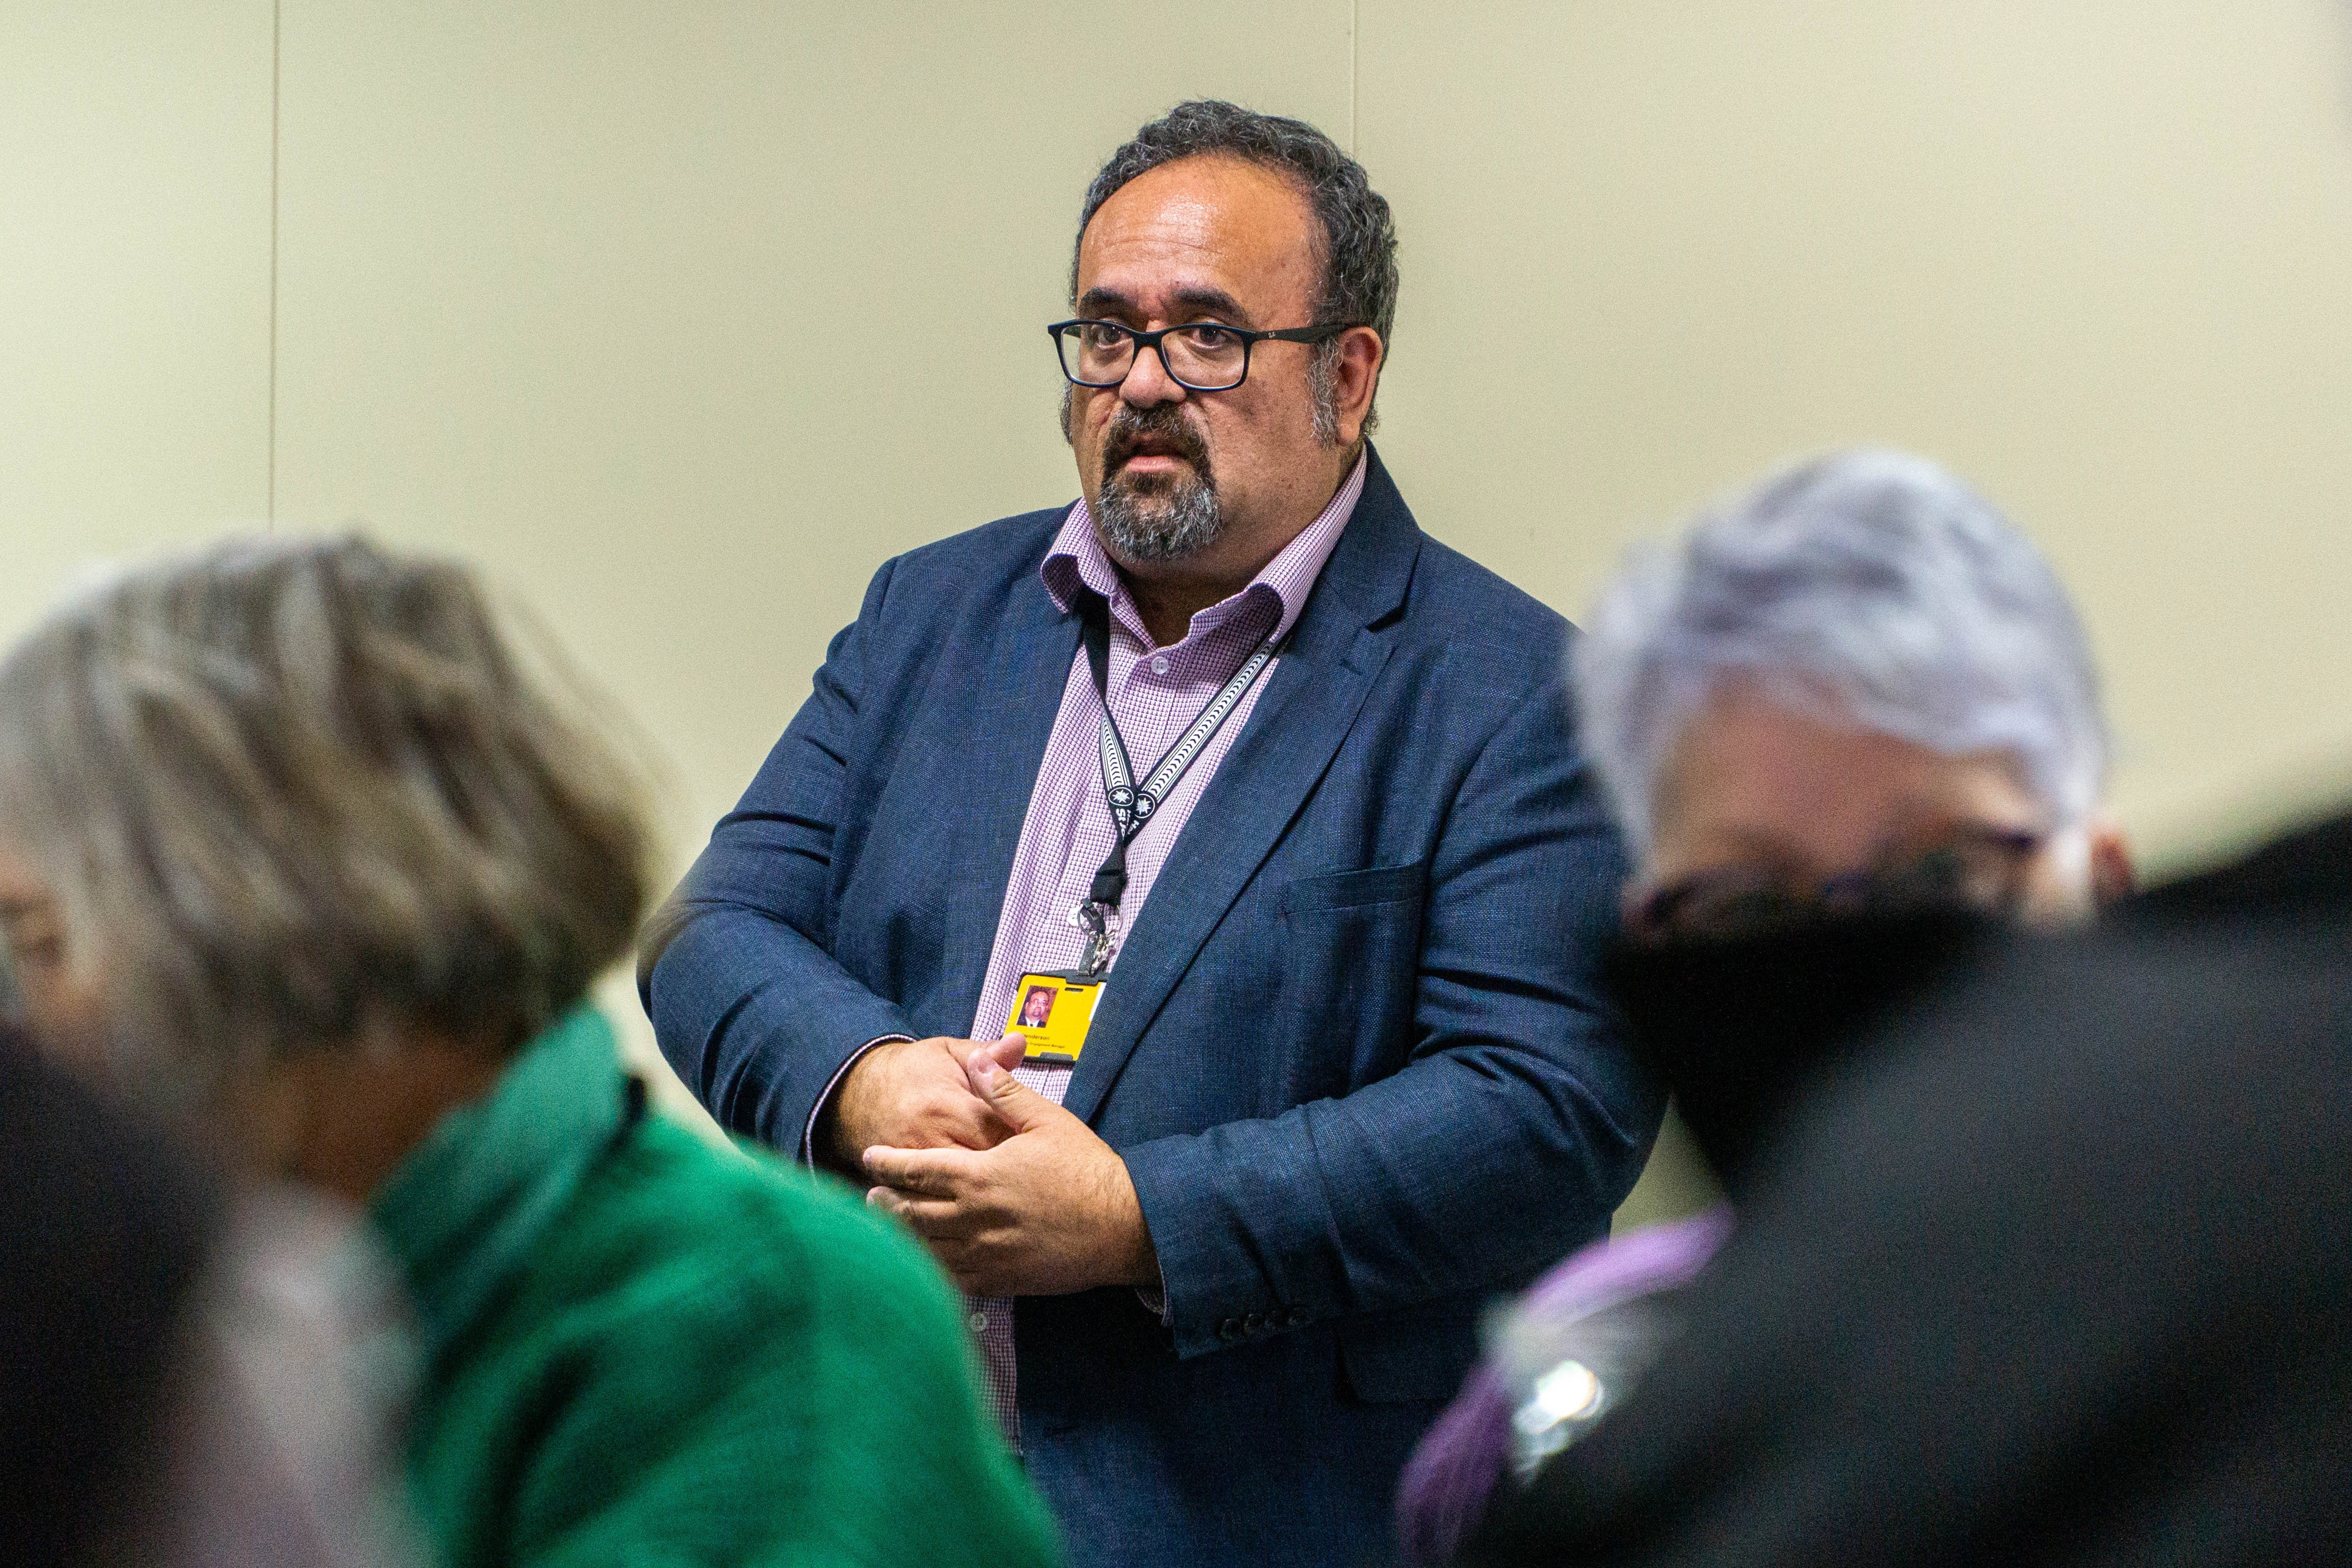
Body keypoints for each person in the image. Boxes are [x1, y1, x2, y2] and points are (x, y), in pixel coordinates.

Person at [640, 100, 1659, 1565]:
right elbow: (712, 929)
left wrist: (1138, 1217)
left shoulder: (1516, 696)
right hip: (897, 1487)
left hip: (1265, 1511)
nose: (1141, 383)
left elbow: (1543, 1111)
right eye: (1106, 334)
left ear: (1348, 376)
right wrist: (861, 1081)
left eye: (1207, 335)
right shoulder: (927, 617)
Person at [0, 536, 1062, 1568]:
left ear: (287, 923)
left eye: (40, 944)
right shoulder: (177, 1285)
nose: (23, 1030)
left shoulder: (768, 1329)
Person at [1399, 449, 2133, 1563]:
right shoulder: (1584, 1400)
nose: (1845, 968)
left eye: (1940, 876)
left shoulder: (2270, 1362)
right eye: (1750, 905)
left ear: (2105, 887)